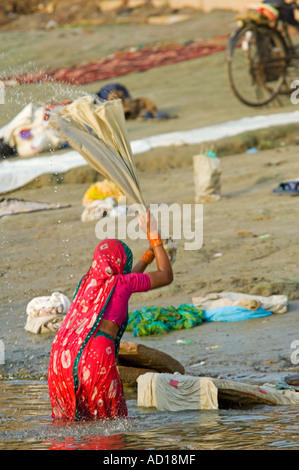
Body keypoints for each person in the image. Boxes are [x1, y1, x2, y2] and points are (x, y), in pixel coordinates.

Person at [48, 210, 173, 421]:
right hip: (95, 356)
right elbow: (166, 276)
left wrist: (147, 257)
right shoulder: (120, 284)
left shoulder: (88, 283)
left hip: (61, 359)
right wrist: (155, 237)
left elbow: (124, 280)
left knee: (73, 425)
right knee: (112, 426)